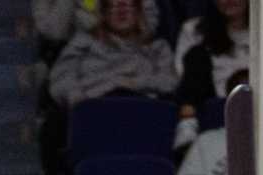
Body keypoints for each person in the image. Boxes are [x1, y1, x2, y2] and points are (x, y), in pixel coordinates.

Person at [47, 0, 175, 109]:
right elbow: (61, 79)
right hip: (91, 107)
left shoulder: (157, 47)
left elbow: (169, 82)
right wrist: (77, 98)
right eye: (113, 7)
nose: (121, 12)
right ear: (104, 14)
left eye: (128, 6)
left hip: (140, 108)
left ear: (139, 13)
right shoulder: (83, 42)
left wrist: (132, 83)